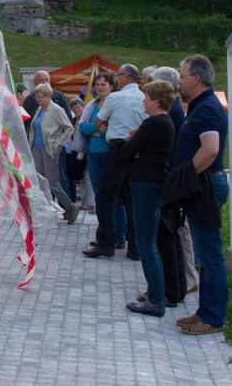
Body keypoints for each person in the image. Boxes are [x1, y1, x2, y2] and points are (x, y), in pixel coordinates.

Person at [173, 54, 229, 336]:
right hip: (203, 184)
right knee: (204, 253)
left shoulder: (206, 108)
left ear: (196, 79)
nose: (179, 82)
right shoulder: (201, 105)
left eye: (182, 76)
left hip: (206, 186)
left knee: (209, 253)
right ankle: (204, 311)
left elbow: (210, 149)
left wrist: (186, 175)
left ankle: (213, 317)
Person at [120, 81, 177, 316]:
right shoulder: (166, 122)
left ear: (156, 100)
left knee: (146, 243)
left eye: (146, 97)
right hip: (155, 180)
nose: (143, 101)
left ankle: (155, 300)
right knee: (150, 242)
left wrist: (134, 141)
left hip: (146, 182)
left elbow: (127, 151)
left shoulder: (154, 123)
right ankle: (156, 292)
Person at [84, 64, 145, 259]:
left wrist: (105, 125)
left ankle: (106, 242)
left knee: (104, 196)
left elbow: (97, 122)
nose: (116, 79)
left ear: (125, 77)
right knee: (132, 199)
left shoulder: (114, 98)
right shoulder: (144, 97)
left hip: (117, 149)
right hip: (138, 150)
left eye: (118, 75)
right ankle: (134, 246)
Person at [149, 65, 193, 299]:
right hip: (173, 176)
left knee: (173, 234)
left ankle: (181, 283)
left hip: (170, 177)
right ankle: (178, 284)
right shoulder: (174, 111)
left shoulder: (170, 115)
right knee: (174, 234)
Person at [78, 73, 124, 249]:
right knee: (100, 196)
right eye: (97, 84)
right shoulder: (92, 105)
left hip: (109, 153)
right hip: (93, 153)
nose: (99, 87)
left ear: (111, 86)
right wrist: (96, 128)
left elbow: (114, 130)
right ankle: (105, 233)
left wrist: (96, 130)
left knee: (114, 196)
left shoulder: (116, 104)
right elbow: (83, 127)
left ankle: (119, 235)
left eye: (103, 84)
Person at [27, 83, 80, 224]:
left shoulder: (56, 109)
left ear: (48, 96)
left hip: (49, 150)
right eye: (36, 96)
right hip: (36, 149)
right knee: (39, 182)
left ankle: (71, 207)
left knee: (52, 183)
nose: (37, 99)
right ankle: (46, 211)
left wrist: (58, 143)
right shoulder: (39, 109)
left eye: (40, 96)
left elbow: (69, 128)